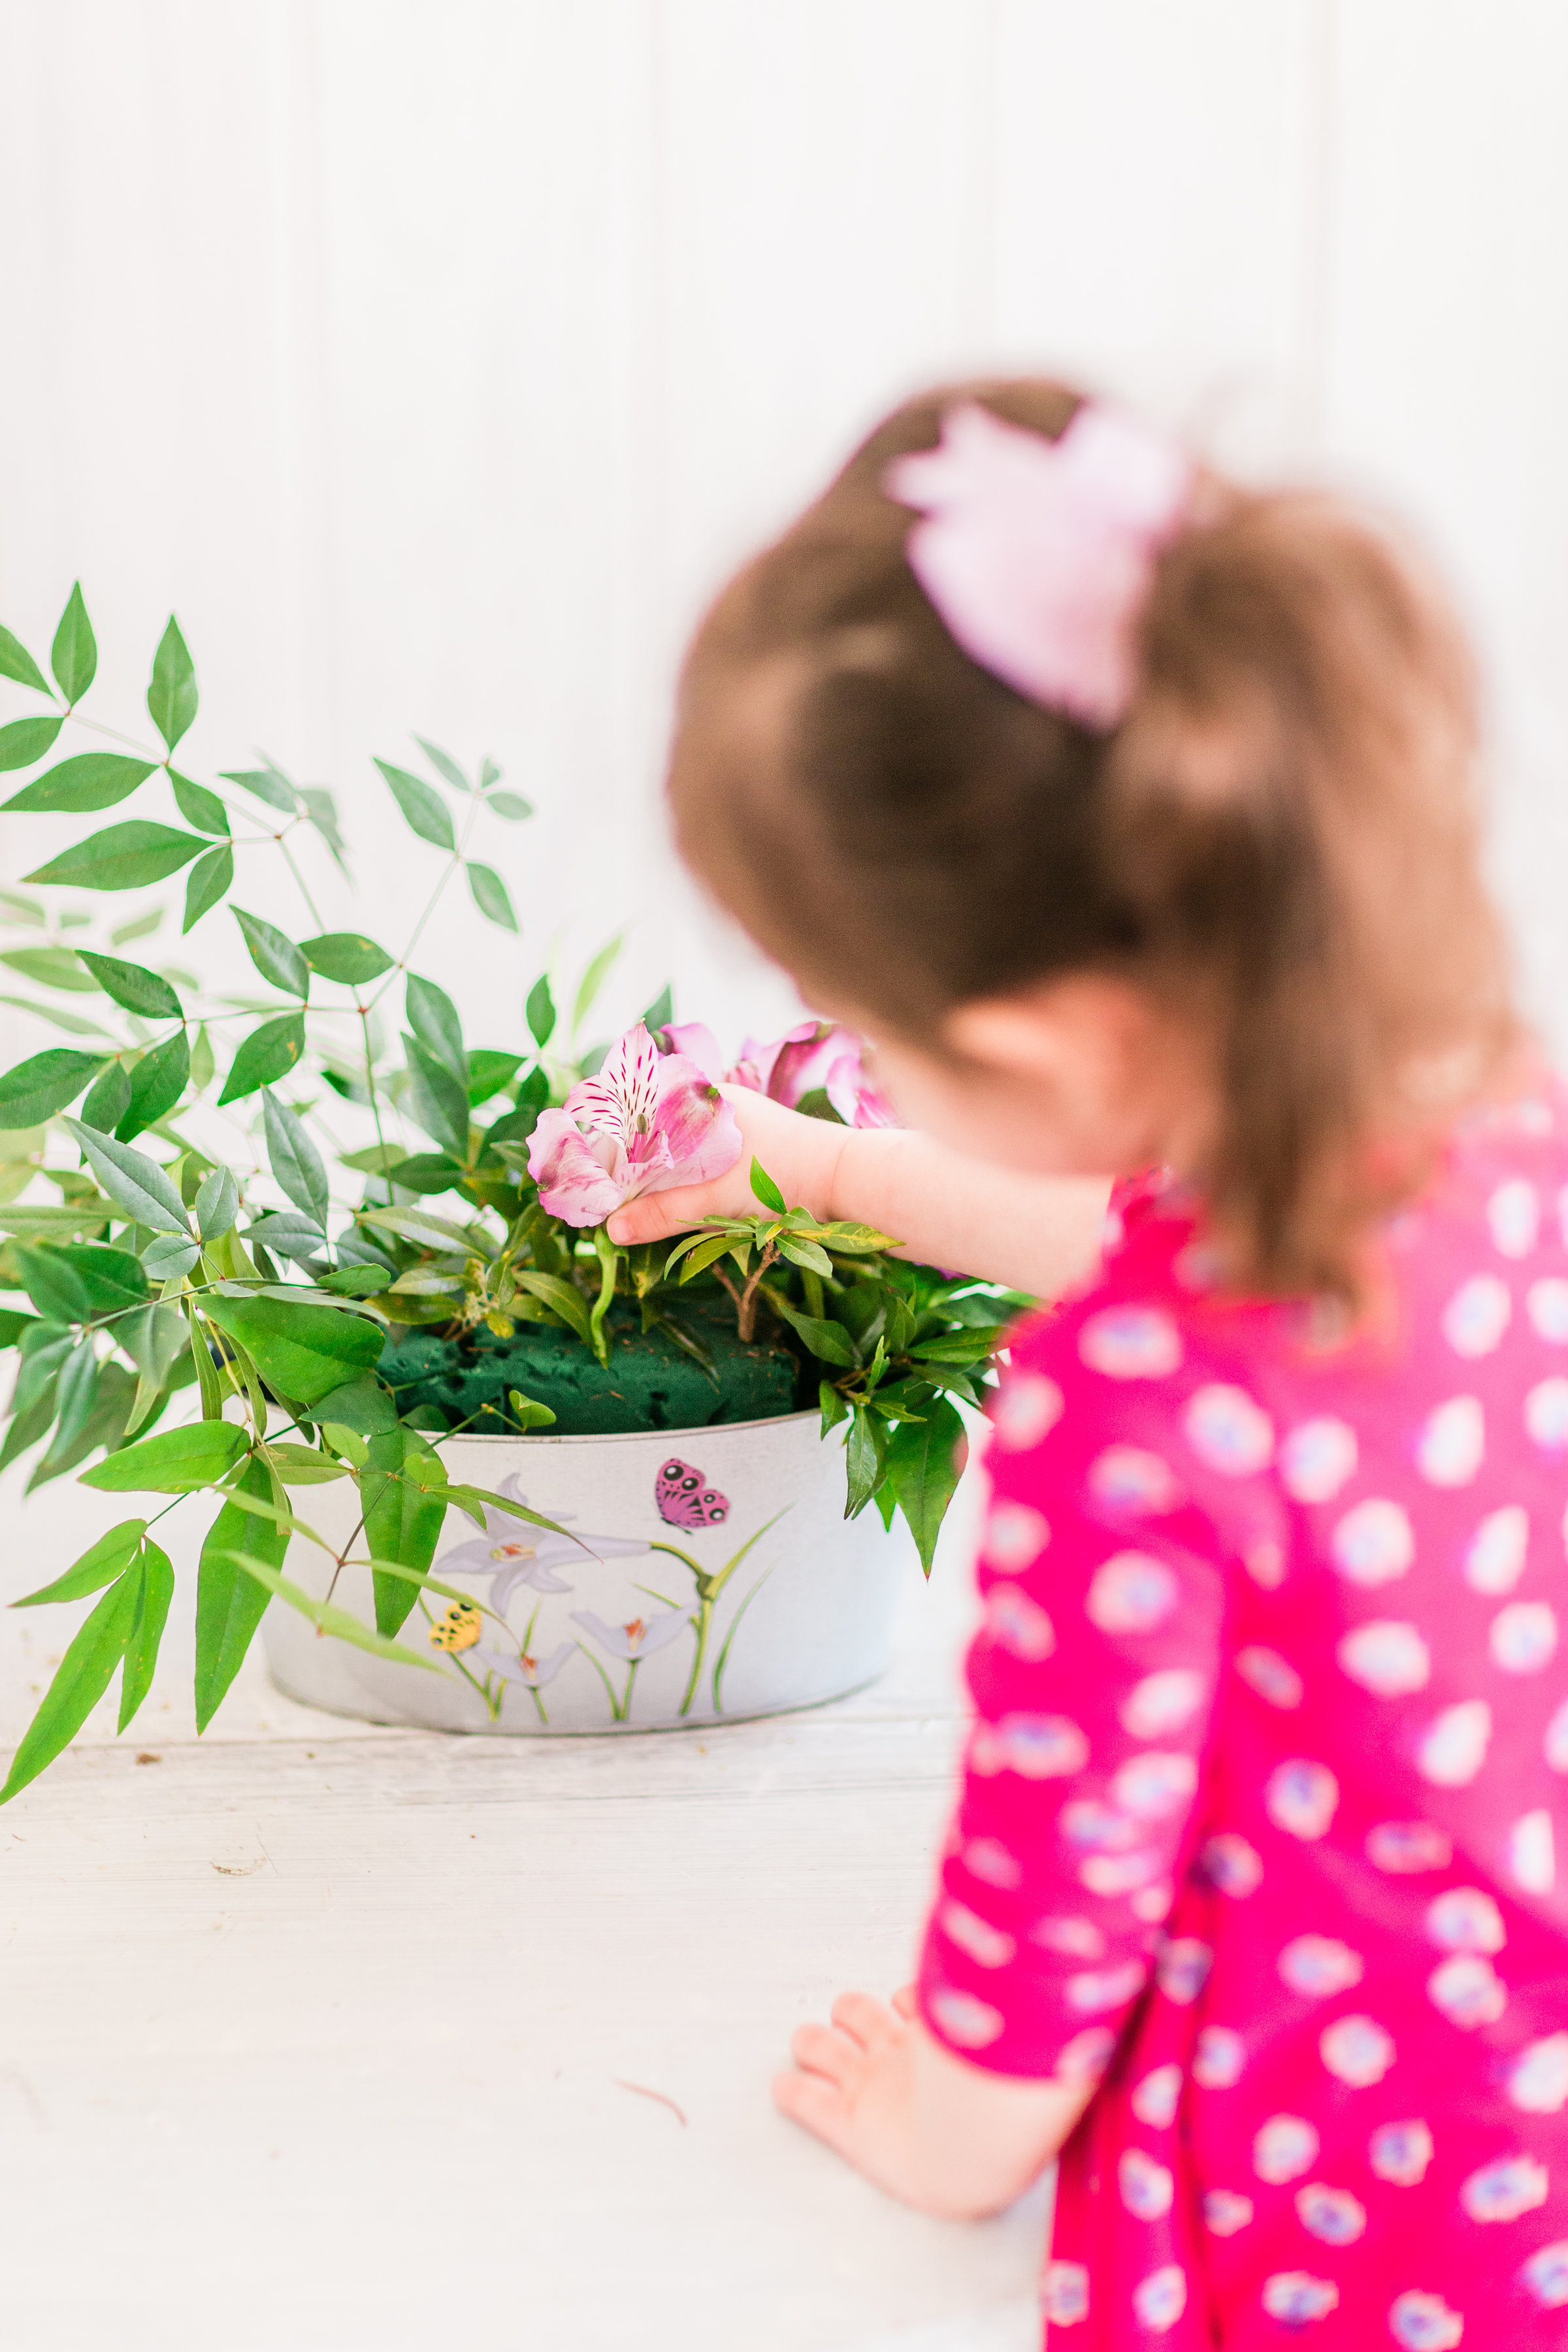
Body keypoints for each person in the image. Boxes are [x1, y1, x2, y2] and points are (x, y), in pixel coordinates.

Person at [605, 381, 1568, 2347]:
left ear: (1036, 1048)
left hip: (1351, 2215)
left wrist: (931, 2134)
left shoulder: (1119, 1421)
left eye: (857, 1010)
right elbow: (1147, 1240)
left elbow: (1053, 1933)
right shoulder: (1493, 1136)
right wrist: (797, 1162)